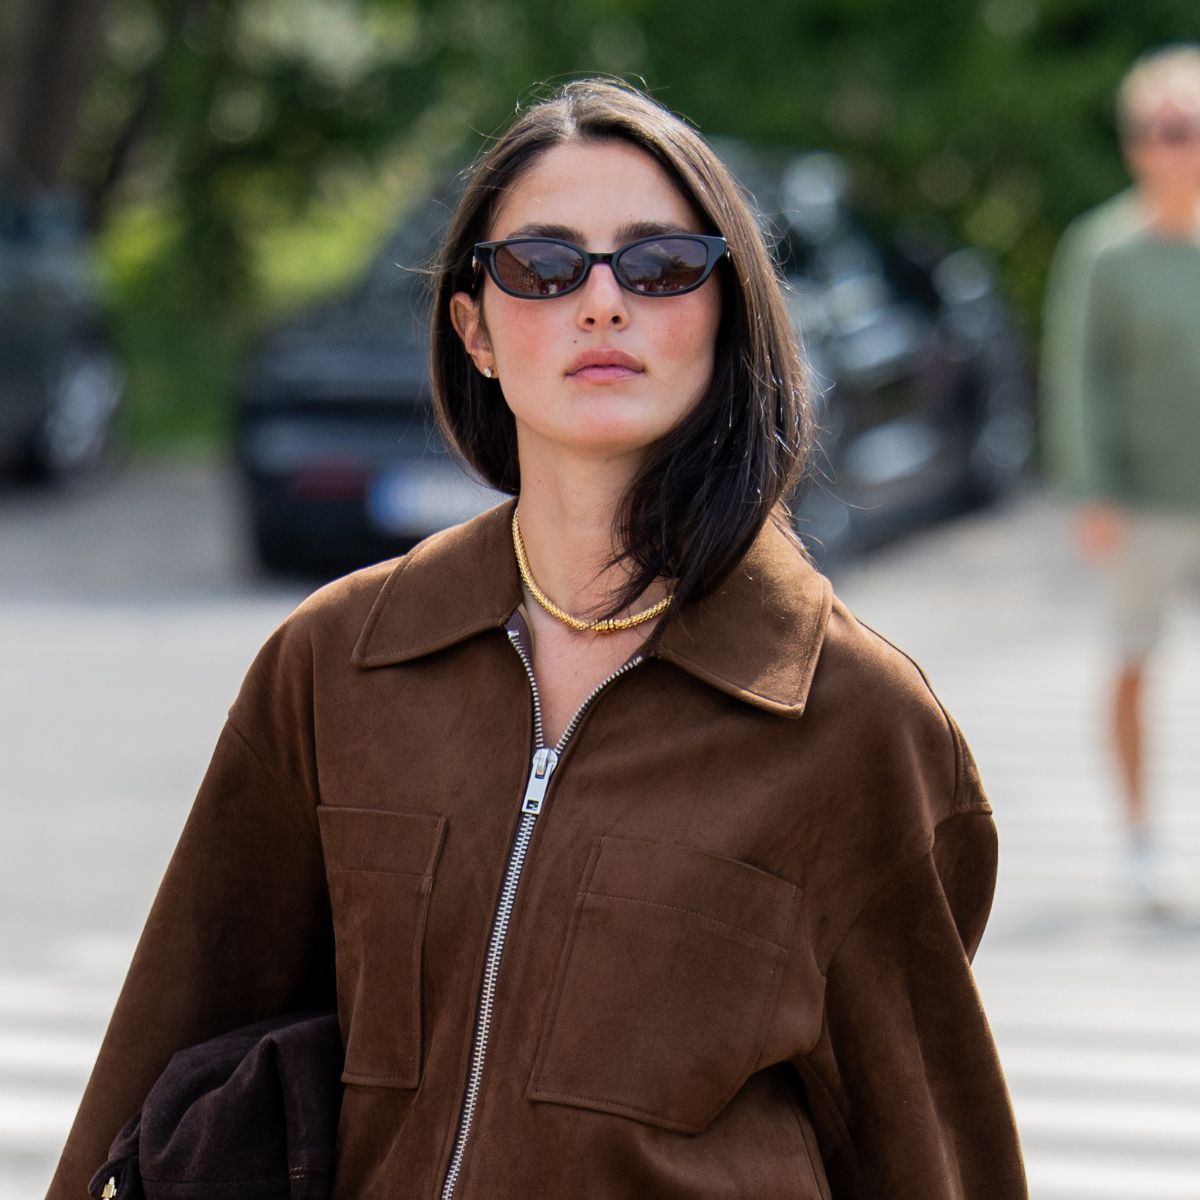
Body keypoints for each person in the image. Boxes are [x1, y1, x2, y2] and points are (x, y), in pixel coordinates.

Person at [49, 79, 1026, 1199]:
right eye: (543, 267)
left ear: (726, 312)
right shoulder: (338, 662)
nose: (600, 304)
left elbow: (931, 1155)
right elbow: (167, 1052)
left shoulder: (856, 719)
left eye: (658, 265)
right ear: (475, 328)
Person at [1042, 46, 1200, 911]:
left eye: (1187, 129)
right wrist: (1091, 489)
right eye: (1158, 130)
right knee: (1135, 662)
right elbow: (1079, 376)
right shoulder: (1104, 250)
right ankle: (1139, 839)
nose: (1173, 147)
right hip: (1144, 501)